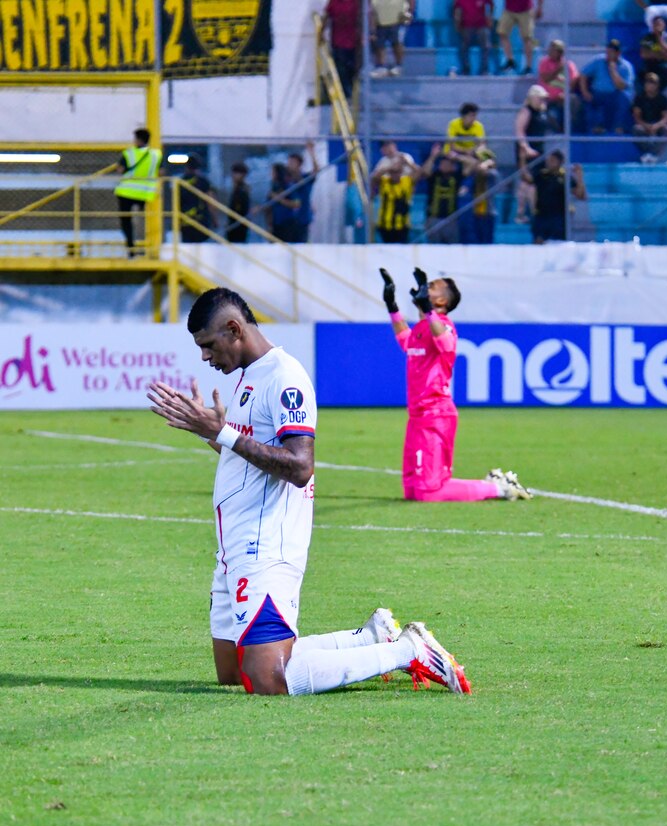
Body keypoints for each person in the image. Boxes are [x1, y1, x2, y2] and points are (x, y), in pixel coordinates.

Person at [147, 287, 472, 696]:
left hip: (265, 546)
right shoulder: (250, 376)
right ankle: (368, 638)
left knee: (267, 679)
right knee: (233, 672)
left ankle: (407, 651)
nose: (205, 357)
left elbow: (300, 466)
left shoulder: (285, 377)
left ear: (234, 329)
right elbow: (247, 450)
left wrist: (223, 431)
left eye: (209, 345)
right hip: (232, 548)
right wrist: (211, 433)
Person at [379, 268, 532, 502]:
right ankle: (492, 484)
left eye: (430, 287)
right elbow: (404, 340)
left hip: (436, 414)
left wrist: (428, 311)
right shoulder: (422, 329)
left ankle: (498, 488)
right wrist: (392, 306)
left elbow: (447, 343)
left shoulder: (444, 325)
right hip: (418, 415)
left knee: (428, 492)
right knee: (411, 489)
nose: (423, 289)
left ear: (440, 300)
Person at [114, 128, 162, 256]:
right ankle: (149, 246)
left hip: (126, 192)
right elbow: (162, 172)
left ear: (139, 140)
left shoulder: (129, 153)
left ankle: (131, 246)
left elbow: (120, 170)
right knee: (146, 219)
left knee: (126, 220)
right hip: (146, 193)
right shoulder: (156, 155)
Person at [523, 150, 586, 244]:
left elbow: (581, 195)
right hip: (542, 215)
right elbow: (526, 178)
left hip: (559, 216)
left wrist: (580, 177)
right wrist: (522, 159)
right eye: (548, 160)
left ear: (560, 162)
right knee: (538, 241)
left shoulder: (565, 177)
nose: (549, 162)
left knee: (558, 243)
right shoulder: (542, 175)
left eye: (552, 160)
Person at [514, 85, 556, 222]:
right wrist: (525, 148)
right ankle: (521, 213)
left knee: (537, 181)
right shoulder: (526, 111)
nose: (542, 101)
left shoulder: (543, 112)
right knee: (527, 181)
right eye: (540, 98)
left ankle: (535, 211)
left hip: (539, 150)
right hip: (526, 151)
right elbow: (520, 131)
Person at [577, 40, 635, 134]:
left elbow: (621, 86)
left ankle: (618, 127)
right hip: (598, 93)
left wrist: (613, 71)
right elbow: (583, 74)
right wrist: (584, 91)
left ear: (618, 53)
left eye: (611, 52)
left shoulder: (626, 67)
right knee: (591, 101)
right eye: (607, 52)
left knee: (624, 98)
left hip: (615, 94)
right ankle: (597, 128)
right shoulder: (598, 60)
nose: (608, 55)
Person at [419, 143, 473, 243]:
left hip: (451, 218)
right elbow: (425, 172)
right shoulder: (435, 176)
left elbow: (472, 164)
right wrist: (433, 156)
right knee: (434, 248)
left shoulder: (456, 177)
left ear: (453, 166)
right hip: (433, 218)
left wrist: (457, 157)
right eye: (442, 163)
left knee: (452, 248)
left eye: (447, 163)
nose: (444, 165)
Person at [269, 143, 320, 243]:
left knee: (300, 243)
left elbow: (316, 171)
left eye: (292, 162)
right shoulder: (285, 180)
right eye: (289, 162)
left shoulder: (305, 178)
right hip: (287, 220)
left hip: (302, 217)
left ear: (299, 164)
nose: (289, 164)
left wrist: (312, 153)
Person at [371, 155, 420, 242]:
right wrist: (390, 166)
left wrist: (408, 163)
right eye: (393, 172)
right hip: (385, 224)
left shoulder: (407, 181)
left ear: (401, 172)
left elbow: (419, 172)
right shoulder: (384, 182)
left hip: (402, 225)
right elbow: (374, 177)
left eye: (397, 172)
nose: (395, 175)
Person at [321, 0, 361, 101]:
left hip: (353, 41)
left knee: (351, 68)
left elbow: (360, 18)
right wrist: (321, 31)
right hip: (338, 42)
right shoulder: (334, 2)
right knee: (341, 68)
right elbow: (326, 16)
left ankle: (350, 92)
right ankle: (345, 93)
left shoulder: (355, 2)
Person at [631, 72, 667, 163]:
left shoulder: (663, 99)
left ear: (657, 85)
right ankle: (647, 153)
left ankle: (653, 155)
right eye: (648, 83)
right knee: (636, 129)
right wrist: (646, 125)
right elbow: (636, 116)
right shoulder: (639, 98)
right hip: (644, 124)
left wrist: (656, 126)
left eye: (652, 83)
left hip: (658, 125)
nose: (650, 85)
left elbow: (666, 117)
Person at [458, 149, 499, 244]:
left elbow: (482, 170)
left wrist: (486, 163)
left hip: (487, 213)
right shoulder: (472, 175)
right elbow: (466, 173)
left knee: (486, 241)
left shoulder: (492, 174)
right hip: (474, 212)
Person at [536, 39, 580, 128]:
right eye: (550, 49)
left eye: (553, 50)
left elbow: (574, 82)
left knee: (574, 100)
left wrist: (565, 94)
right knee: (544, 111)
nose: (550, 52)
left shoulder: (569, 65)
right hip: (546, 97)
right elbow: (545, 79)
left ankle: (570, 129)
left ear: (560, 53)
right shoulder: (544, 62)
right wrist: (558, 70)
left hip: (562, 97)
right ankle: (558, 129)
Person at [180, 155, 219, 243]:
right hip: (201, 222)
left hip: (185, 222)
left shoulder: (180, 183)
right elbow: (211, 202)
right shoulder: (203, 182)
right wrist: (215, 220)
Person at [497, 0, 543, 75]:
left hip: (525, 10)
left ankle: (528, 66)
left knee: (527, 37)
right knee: (502, 33)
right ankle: (510, 60)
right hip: (509, 10)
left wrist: (540, 7)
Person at [370, 0, 414, 77]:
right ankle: (381, 66)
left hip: (399, 19)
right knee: (379, 44)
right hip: (379, 19)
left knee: (397, 43)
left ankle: (398, 66)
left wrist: (410, 12)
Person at [453, 0, 494, 76]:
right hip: (466, 25)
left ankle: (484, 70)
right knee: (463, 47)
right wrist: (457, 24)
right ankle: (466, 69)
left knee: (486, 46)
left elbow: (489, 7)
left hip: (482, 24)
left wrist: (489, 20)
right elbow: (457, 11)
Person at [638, 15, 667, 91]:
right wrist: (659, 54)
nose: (657, 26)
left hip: (663, 64)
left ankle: (657, 91)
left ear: (664, 25)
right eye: (655, 24)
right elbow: (644, 54)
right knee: (642, 73)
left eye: (659, 24)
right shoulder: (647, 38)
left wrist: (659, 38)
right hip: (650, 64)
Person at [225, 162, 251, 244]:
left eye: (236, 173)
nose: (233, 176)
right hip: (234, 225)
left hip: (238, 226)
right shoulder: (237, 189)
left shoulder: (242, 191)